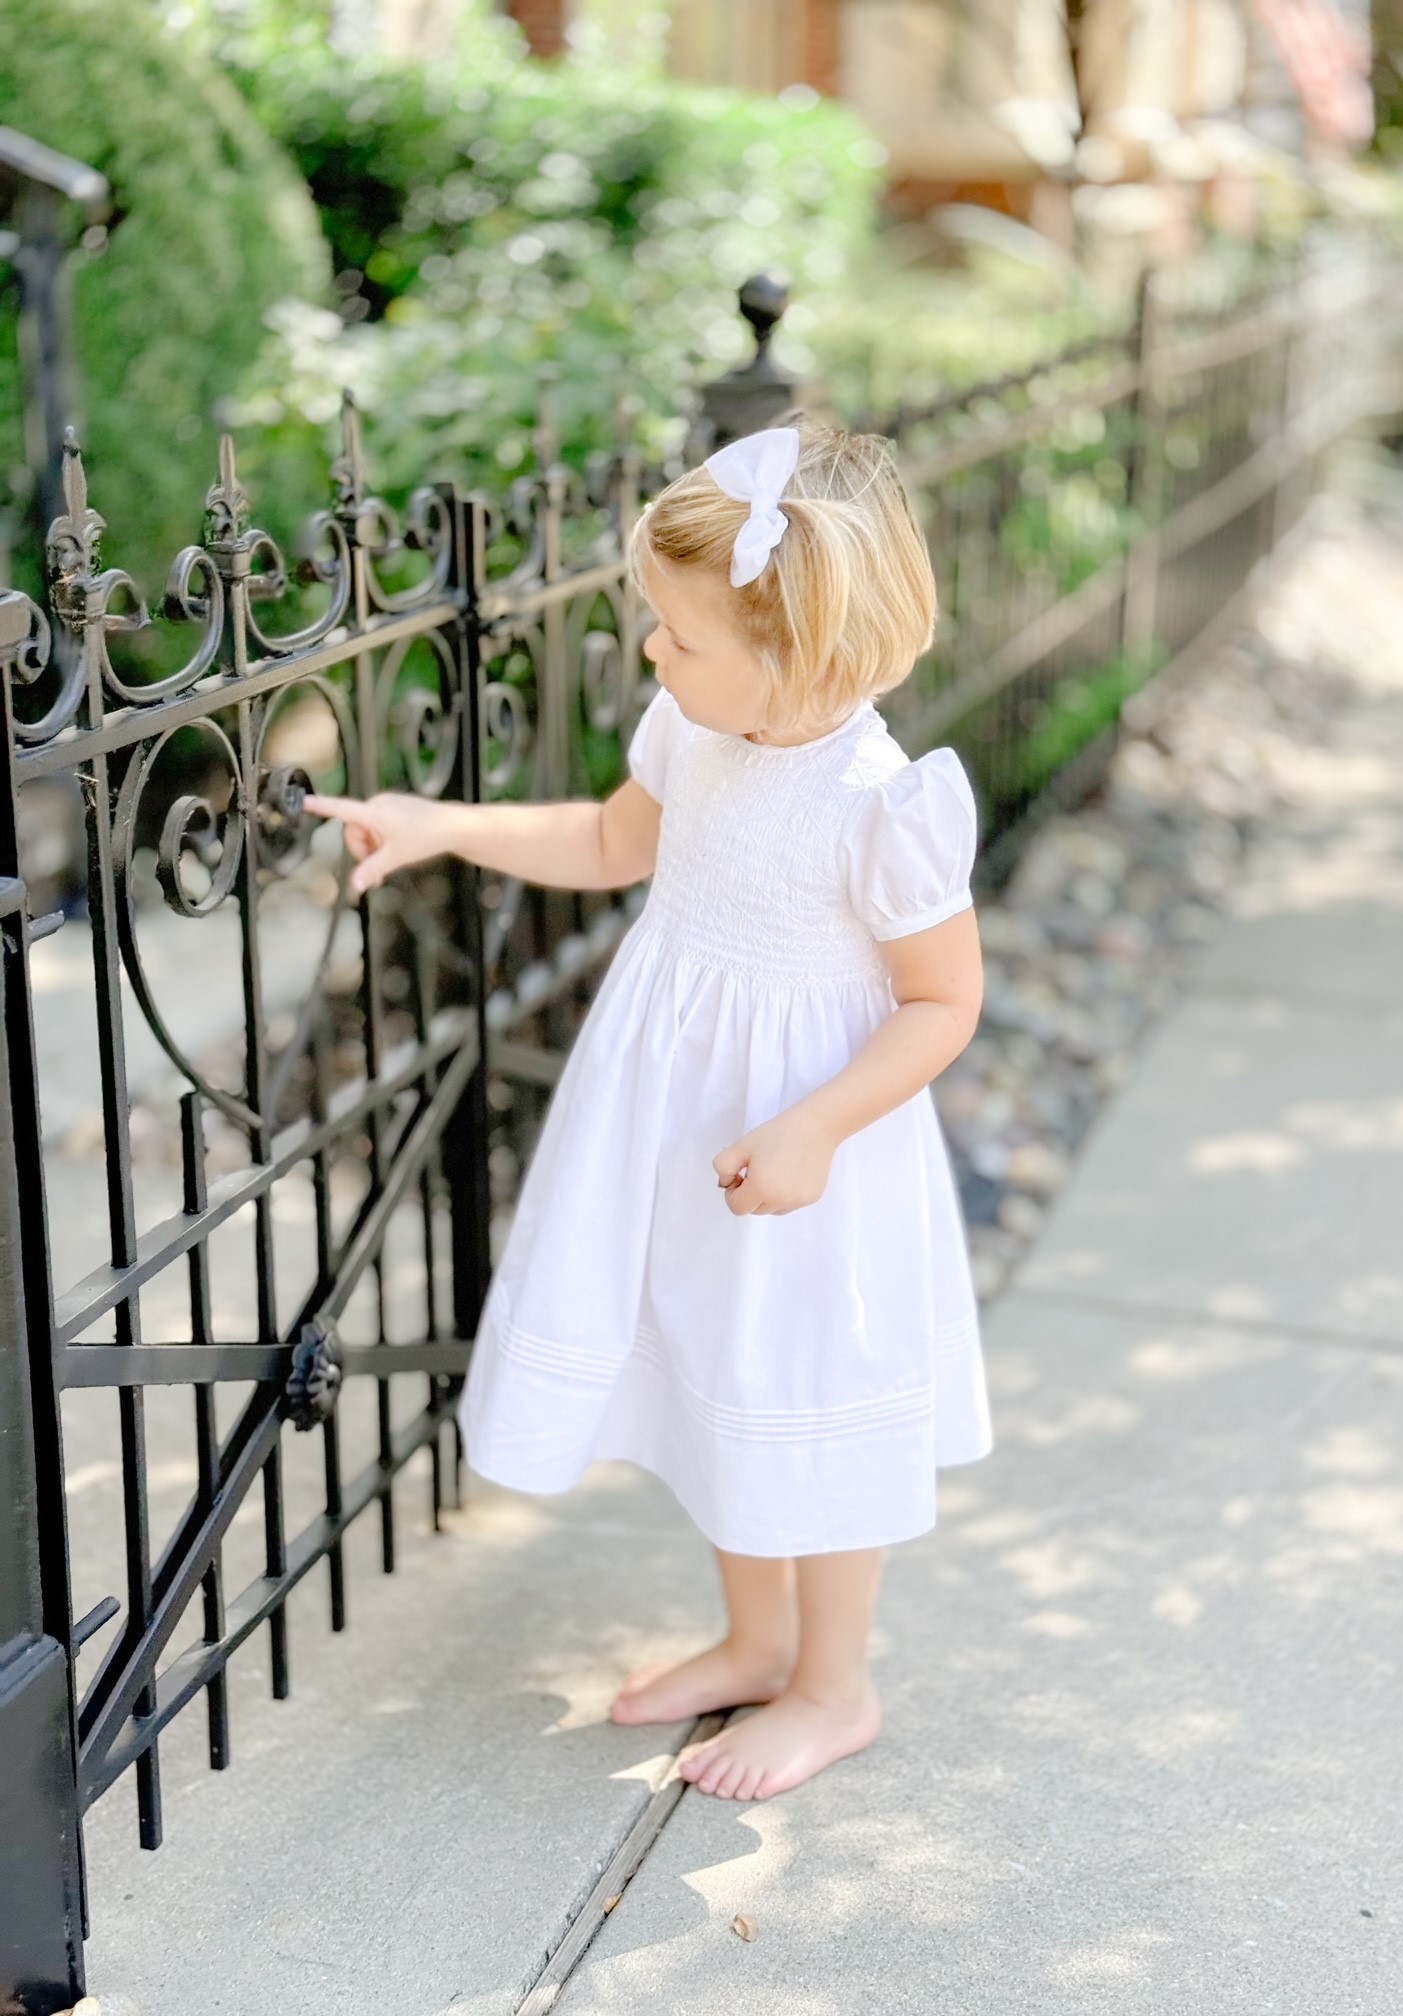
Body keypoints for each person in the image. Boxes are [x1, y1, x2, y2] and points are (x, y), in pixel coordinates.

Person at [302, 418, 992, 1802]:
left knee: (807, 1380)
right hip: (683, 1116)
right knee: (717, 1361)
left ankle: (831, 1683)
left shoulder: (882, 805)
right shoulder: (696, 726)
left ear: (796, 657)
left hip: (812, 1143)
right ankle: (754, 1638)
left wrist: (814, 1127)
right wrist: (441, 822)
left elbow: (941, 1005)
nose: (652, 657)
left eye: (678, 635)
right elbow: (612, 841)